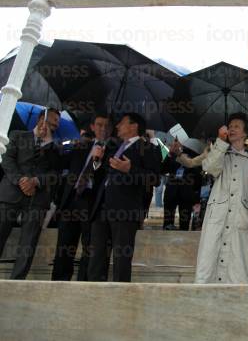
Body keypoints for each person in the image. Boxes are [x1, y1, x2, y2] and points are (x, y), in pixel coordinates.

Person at [87, 113, 160, 282]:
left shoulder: (148, 148)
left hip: (125, 211)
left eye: (122, 123)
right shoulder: (115, 146)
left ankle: (119, 297)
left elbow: (155, 179)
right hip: (102, 208)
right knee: (96, 258)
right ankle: (94, 296)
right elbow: (103, 171)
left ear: (134, 126)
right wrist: (97, 160)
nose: (117, 126)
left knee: (121, 260)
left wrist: (130, 169)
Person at [194, 113, 248, 284]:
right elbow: (210, 169)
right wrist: (220, 143)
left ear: (245, 133)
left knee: (238, 270)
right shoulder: (219, 152)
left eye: (236, 127)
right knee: (208, 265)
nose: (232, 129)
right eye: (230, 126)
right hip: (217, 217)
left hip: (242, 218)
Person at [51, 113, 113, 281]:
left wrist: (98, 161)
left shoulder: (114, 149)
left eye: (107, 125)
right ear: (92, 127)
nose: (103, 128)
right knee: (64, 246)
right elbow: (58, 162)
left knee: (89, 248)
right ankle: (59, 283)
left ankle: (83, 284)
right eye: (99, 124)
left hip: (93, 203)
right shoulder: (81, 146)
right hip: (71, 200)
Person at [0, 108, 61, 279]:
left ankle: (16, 281)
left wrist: (36, 181)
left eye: (56, 124)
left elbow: (55, 174)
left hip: (37, 200)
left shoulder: (54, 148)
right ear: (41, 119)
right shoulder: (17, 135)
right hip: (10, 194)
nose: (54, 126)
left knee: (28, 244)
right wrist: (21, 180)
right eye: (52, 121)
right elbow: (7, 159)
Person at [160, 144, 202, 231]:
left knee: (184, 225)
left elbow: (198, 178)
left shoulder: (195, 156)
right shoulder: (172, 155)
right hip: (171, 193)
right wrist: (169, 154)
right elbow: (163, 169)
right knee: (167, 224)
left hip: (186, 195)